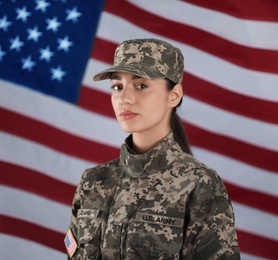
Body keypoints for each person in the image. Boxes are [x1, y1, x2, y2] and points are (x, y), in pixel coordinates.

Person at [64, 38, 240, 259]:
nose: (124, 99)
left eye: (141, 86)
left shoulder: (199, 185)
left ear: (174, 95)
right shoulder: (93, 182)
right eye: (117, 87)